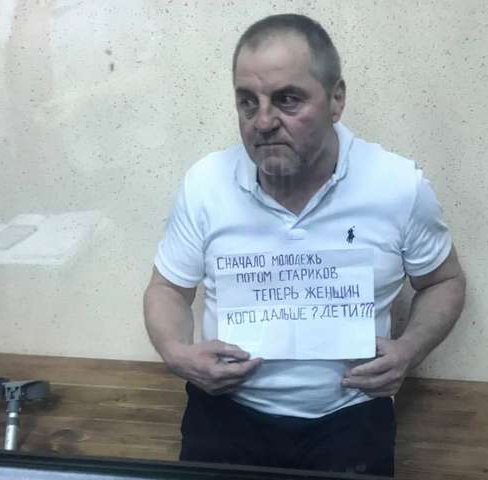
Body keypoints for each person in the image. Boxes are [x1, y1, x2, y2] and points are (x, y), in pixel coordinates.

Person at [143, 13, 466, 477]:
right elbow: (167, 288)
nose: (263, 121)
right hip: (225, 413)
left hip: (351, 418)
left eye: (288, 100)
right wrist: (177, 354)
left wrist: (409, 349)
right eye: (247, 102)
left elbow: (444, 281)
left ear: (336, 99)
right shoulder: (206, 184)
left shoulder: (397, 186)